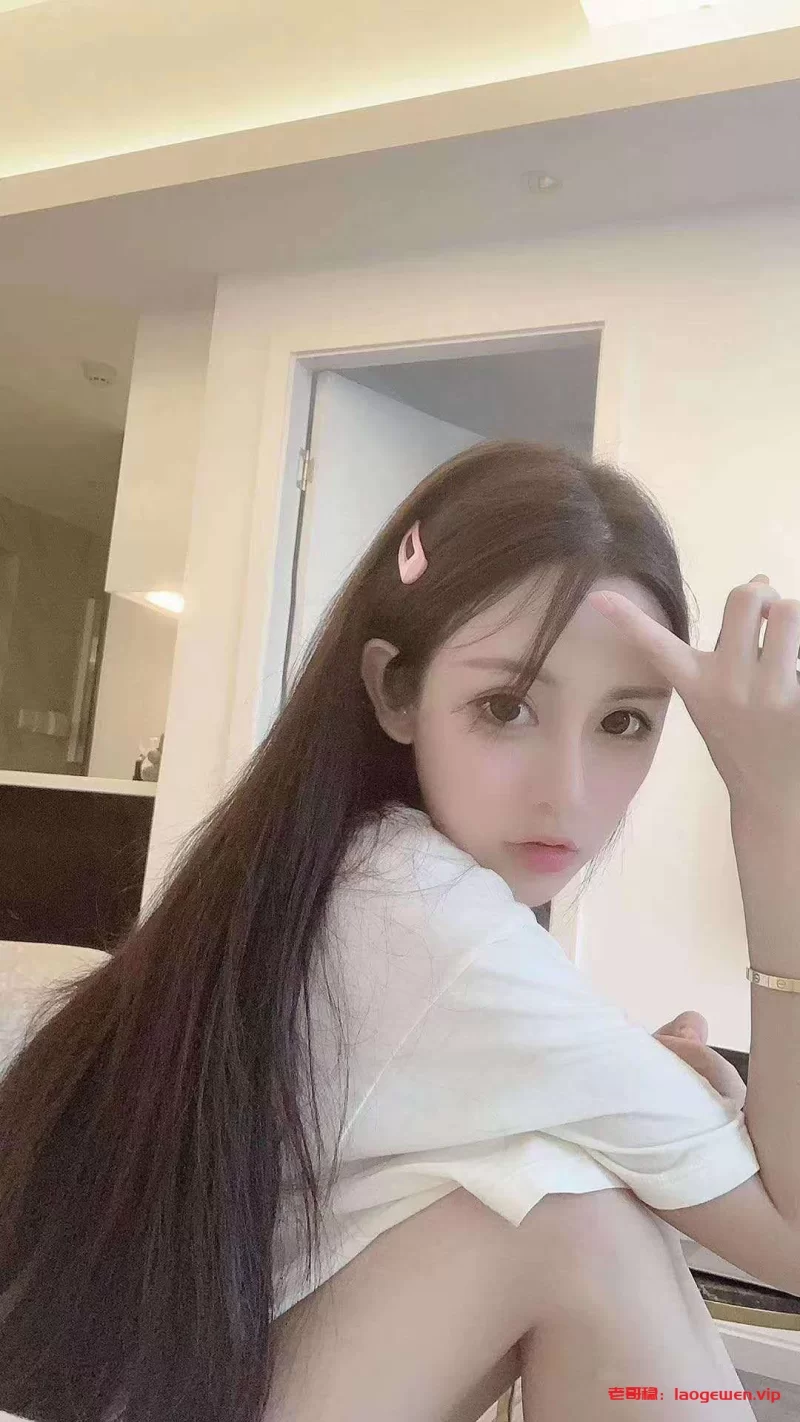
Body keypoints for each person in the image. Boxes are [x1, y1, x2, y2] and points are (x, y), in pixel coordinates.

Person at [0, 439, 797, 1422]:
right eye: (506, 706)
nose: (569, 790)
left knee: (564, 1192)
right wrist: (774, 811)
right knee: (573, 1214)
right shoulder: (423, 916)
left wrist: (656, 1109)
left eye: (624, 722)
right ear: (394, 690)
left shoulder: (328, 869)